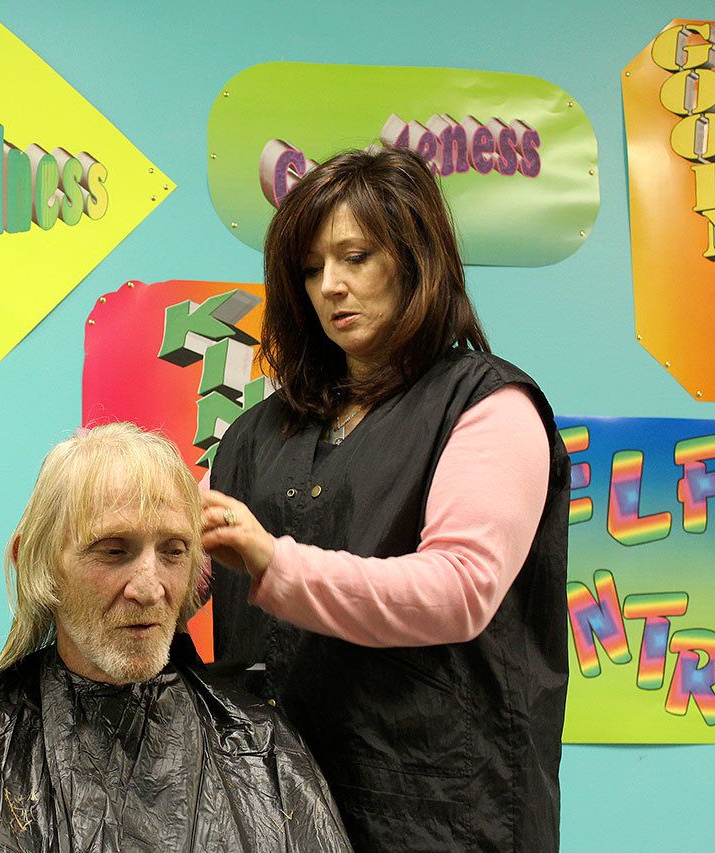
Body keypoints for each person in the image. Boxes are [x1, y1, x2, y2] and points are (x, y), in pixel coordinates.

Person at [200, 145, 570, 852]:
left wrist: (274, 560)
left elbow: (460, 591)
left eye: (356, 257)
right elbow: (182, 572)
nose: (330, 285)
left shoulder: (488, 407)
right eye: (311, 269)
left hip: (443, 819)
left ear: (414, 258)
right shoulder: (257, 432)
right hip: (270, 813)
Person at [0, 423, 352, 852]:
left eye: (174, 551)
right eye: (113, 551)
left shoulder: (258, 746)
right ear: (38, 562)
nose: (150, 589)